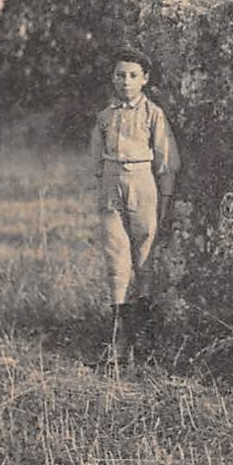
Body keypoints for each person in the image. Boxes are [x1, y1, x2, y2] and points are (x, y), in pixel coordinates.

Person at [90, 46, 181, 362]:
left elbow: (166, 159)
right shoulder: (105, 117)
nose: (125, 82)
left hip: (143, 183)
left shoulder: (152, 114)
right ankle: (117, 340)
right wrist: (104, 187)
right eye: (120, 75)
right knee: (115, 256)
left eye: (132, 76)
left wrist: (165, 196)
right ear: (112, 78)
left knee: (144, 256)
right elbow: (96, 160)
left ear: (144, 79)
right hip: (111, 185)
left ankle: (144, 340)